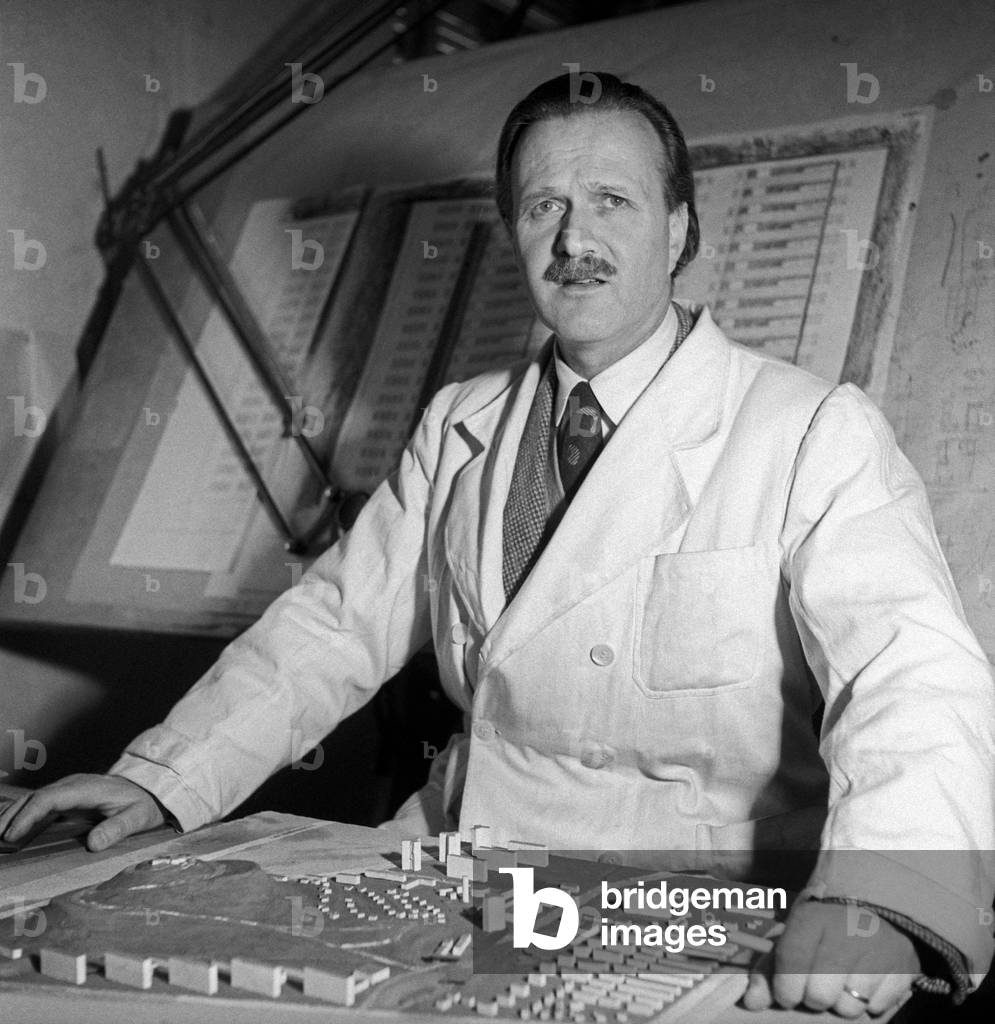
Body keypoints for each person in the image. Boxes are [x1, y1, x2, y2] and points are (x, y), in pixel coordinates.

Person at [2, 71, 992, 1018]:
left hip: (697, 898)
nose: (574, 239)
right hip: (459, 871)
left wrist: (882, 898)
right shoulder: (459, 422)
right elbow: (335, 624)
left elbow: (910, 671)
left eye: (611, 201)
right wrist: (164, 777)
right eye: (542, 206)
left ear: (678, 228)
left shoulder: (808, 428)